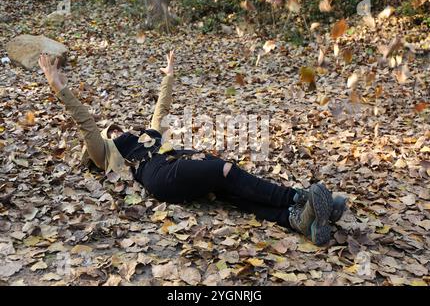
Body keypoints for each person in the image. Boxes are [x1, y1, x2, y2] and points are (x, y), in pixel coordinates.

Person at [38, 51, 347, 246]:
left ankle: (300, 220)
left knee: (230, 192)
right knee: (224, 169)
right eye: (111, 131)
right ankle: (298, 197)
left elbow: (161, 109)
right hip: (157, 174)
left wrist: (169, 76)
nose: (115, 128)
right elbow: (87, 126)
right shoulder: (106, 153)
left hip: (176, 163)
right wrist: (60, 89)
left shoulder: (147, 136)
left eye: (116, 126)